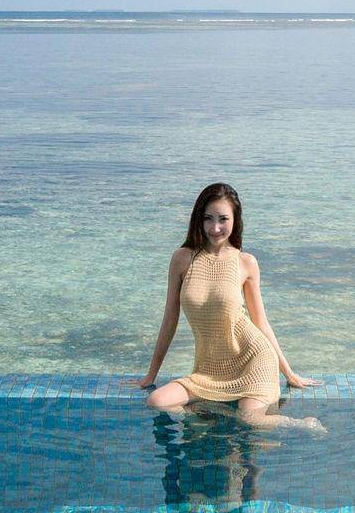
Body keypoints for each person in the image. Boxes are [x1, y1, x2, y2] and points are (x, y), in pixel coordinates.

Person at [134, 181, 323, 432]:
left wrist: (289, 374)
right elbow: (170, 319)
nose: (215, 228)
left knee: (251, 419)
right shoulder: (182, 259)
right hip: (208, 372)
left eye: (223, 219)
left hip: (253, 359)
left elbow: (260, 322)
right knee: (157, 401)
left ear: (235, 221)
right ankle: (209, 417)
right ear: (198, 220)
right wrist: (151, 375)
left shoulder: (246, 263)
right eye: (208, 218)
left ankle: (300, 424)